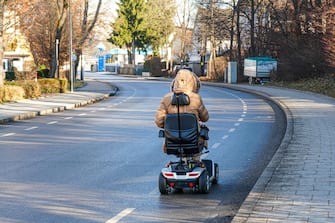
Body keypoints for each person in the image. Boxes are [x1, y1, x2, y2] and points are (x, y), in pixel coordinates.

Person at [155, 69, 209, 158]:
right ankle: (196, 160)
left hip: (172, 141)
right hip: (194, 141)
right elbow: (205, 118)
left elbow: (159, 121)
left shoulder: (166, 99)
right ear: (193, 83)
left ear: (174, 83)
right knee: (203, 133)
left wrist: (170, 126)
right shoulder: (196, 98)